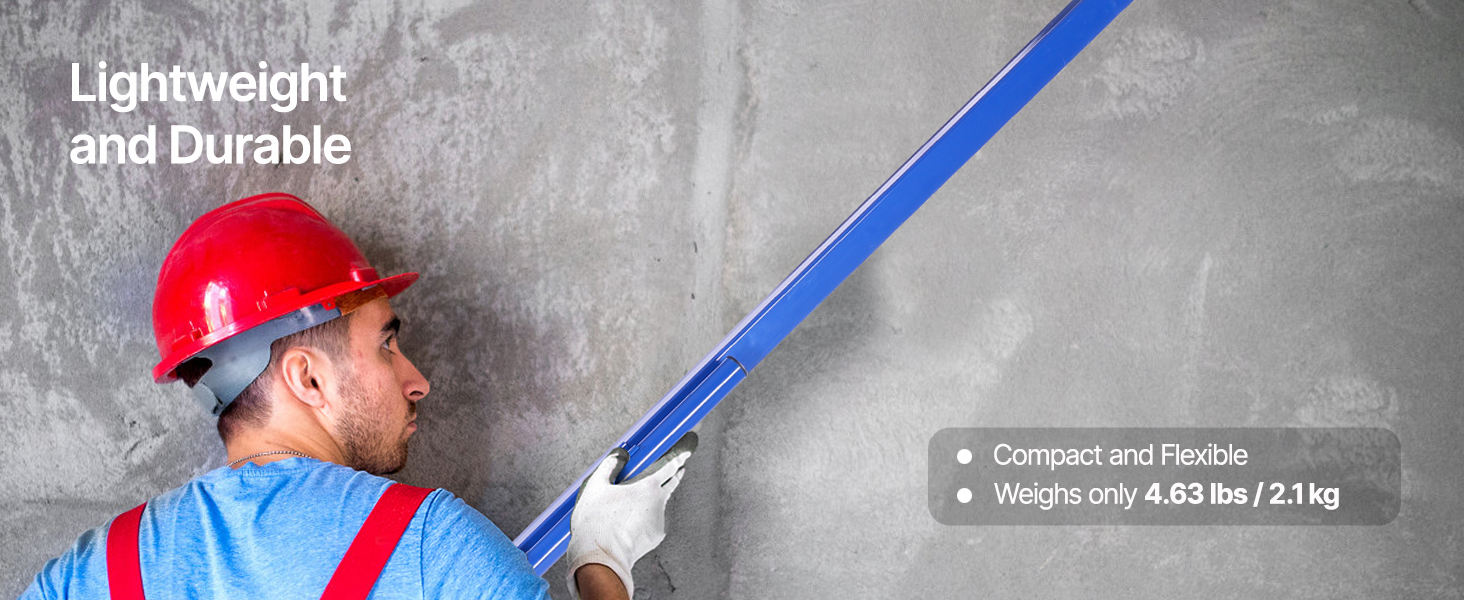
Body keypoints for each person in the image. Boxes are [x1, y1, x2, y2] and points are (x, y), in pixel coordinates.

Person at [19, 193, 693, 600]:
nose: (417, 379)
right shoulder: (434, 548)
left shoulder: (91, 574)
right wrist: (601, 562)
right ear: (307, 378)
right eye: (386, 345)